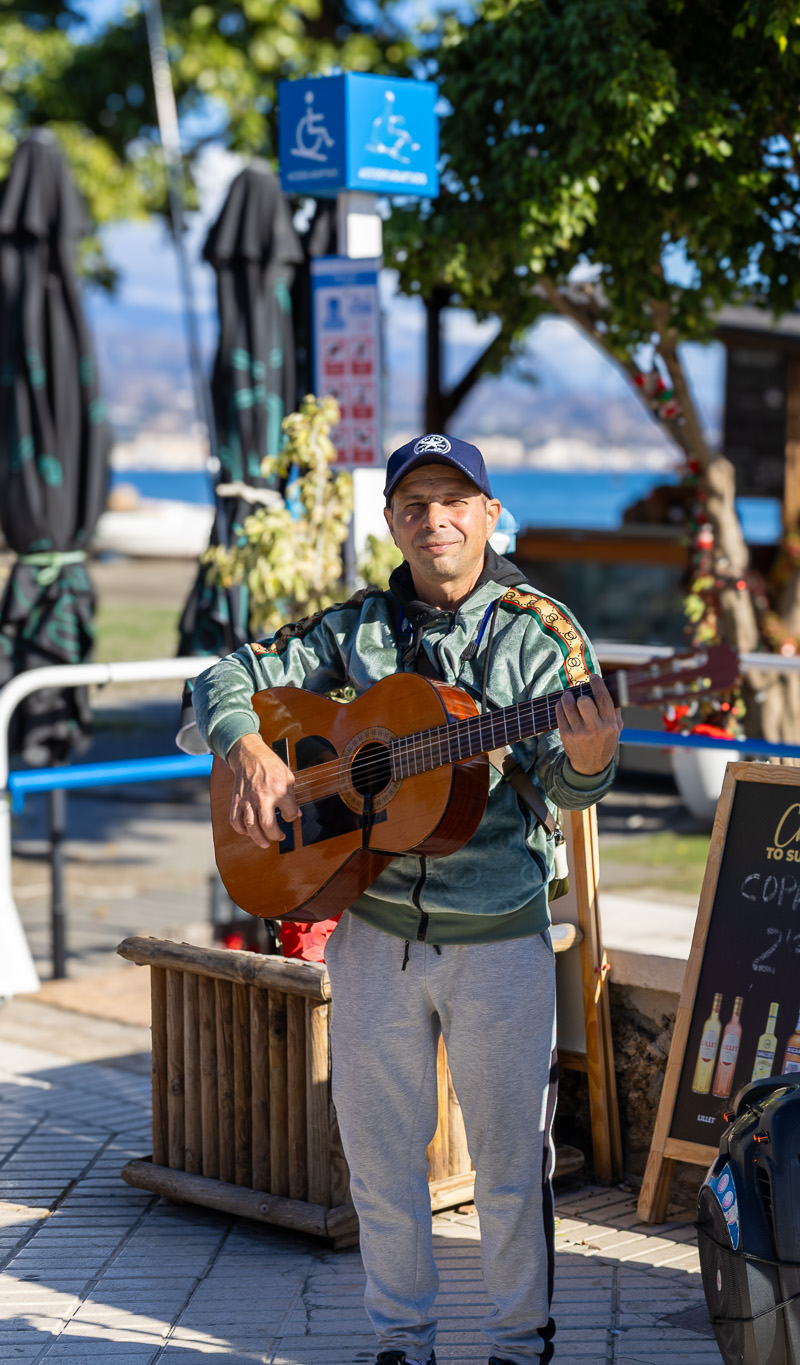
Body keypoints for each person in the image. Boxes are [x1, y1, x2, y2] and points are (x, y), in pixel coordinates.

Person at [190, 435, 621, 1365]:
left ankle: (518, 1344)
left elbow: (570, 784)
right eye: (416, 503)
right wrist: (248, 747)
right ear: (391, 523)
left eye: (455, 499)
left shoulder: (542, 633)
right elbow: (222, 675)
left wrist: (588, 764)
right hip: (372, 928)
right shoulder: (356, 629)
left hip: (497, 936)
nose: (436, 519)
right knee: (381, 1163)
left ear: (490, 512)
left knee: (511, 1167)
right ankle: (400, 1344)